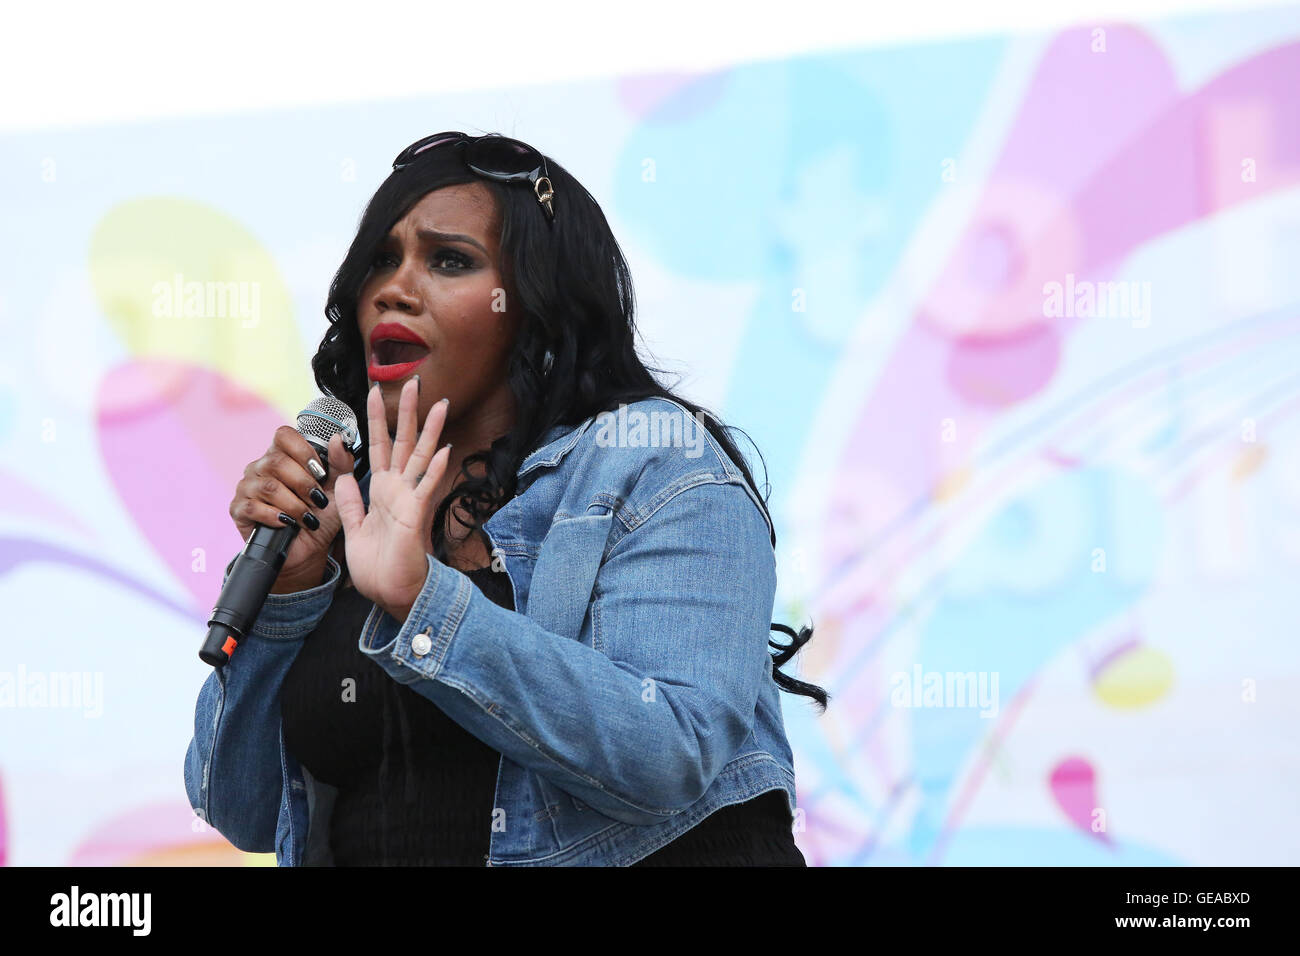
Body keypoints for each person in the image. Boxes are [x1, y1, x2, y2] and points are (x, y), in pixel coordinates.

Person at [184, 132, 828, 866]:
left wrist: (424, 601)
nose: (394, 287)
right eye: (380, 262)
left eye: (449, 260)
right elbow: (242, 809)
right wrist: (289, 593)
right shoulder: (342, 507)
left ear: (534, 303)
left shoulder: (651, 464)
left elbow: (669, 753)